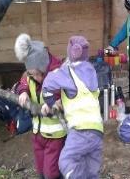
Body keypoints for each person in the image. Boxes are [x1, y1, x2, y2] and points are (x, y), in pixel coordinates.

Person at [42, 35, 103, 179]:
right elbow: (78, 95)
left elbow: (47, 85)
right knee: (90, 170)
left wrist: (51, 102)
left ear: (71, 51)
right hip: (97, 131)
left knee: (66, 162)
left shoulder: (68, 72)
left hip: (80, 130)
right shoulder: (90, 70)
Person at [15, 33, 66, 179]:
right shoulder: (31, 75)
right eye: (32, 74)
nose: (35, 77)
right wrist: (23, 92)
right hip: (38, 132)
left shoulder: (57, 75)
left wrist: (54, 105)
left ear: (44, 67)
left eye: (37, 74)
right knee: (41, 168)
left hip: (55, 134)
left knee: (52, 171)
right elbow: (24, 80)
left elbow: (65, 97)